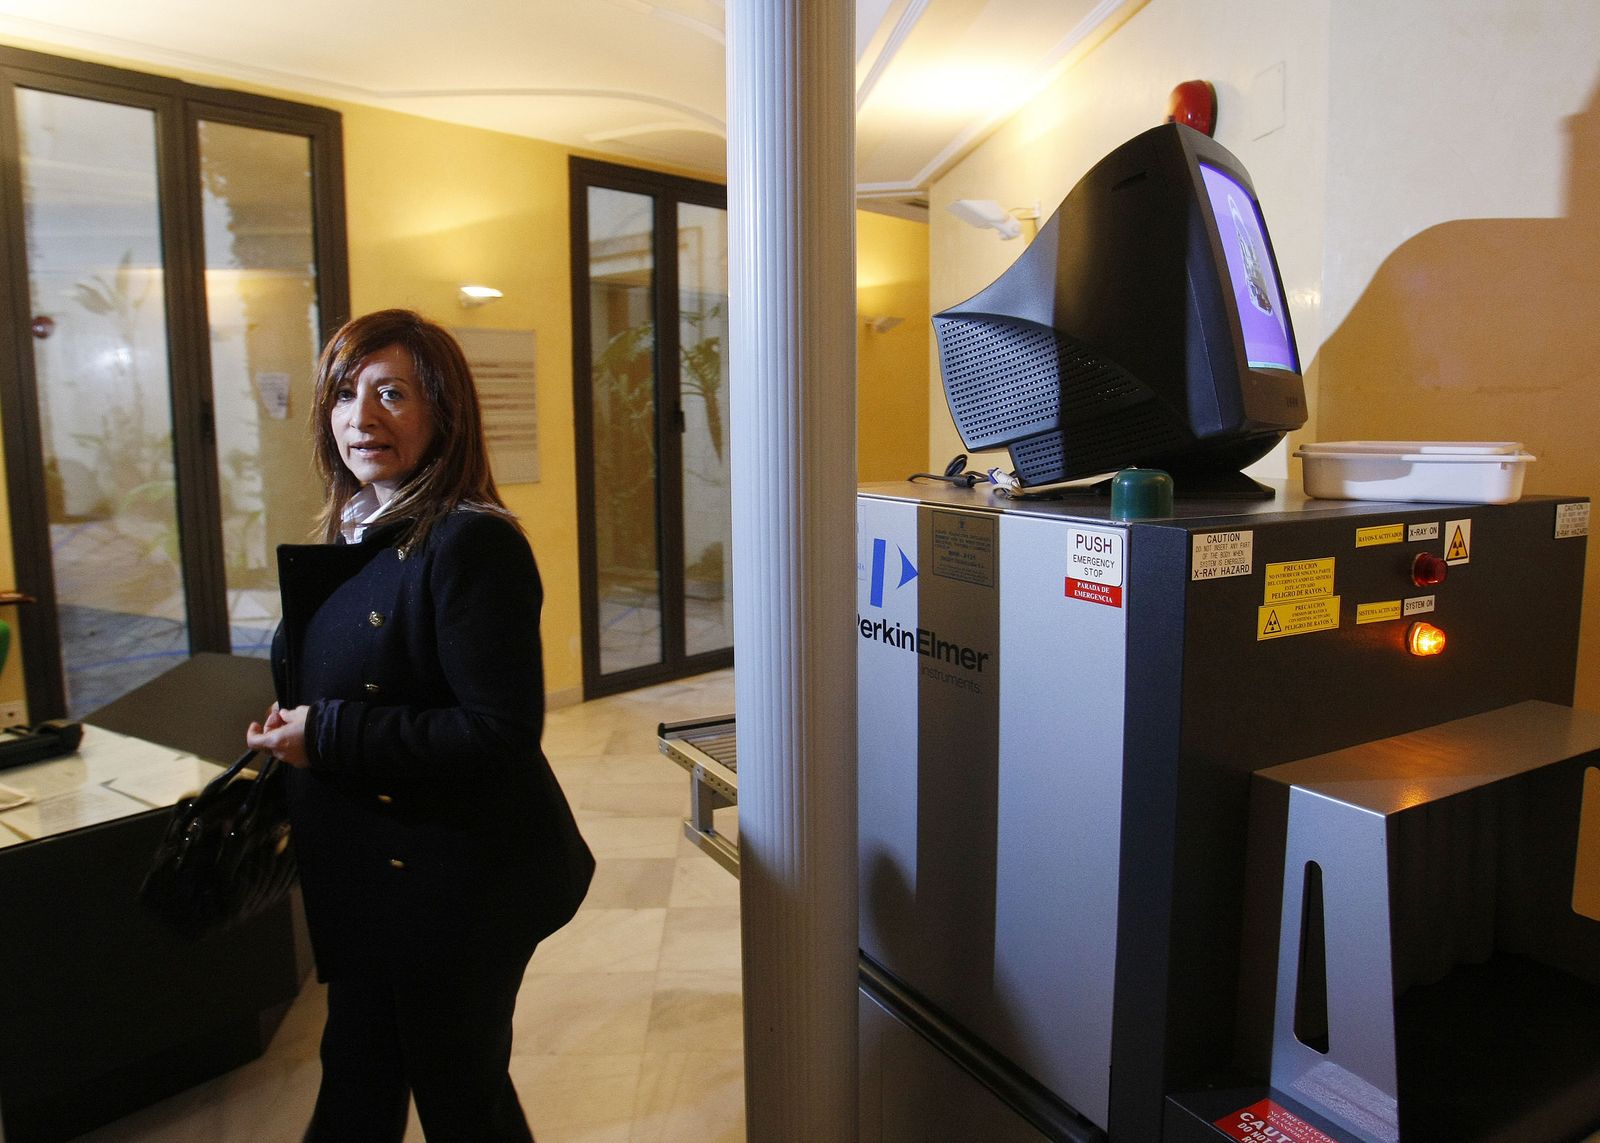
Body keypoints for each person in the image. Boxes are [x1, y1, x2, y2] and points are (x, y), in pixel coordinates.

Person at [246, 308, 593, 1142]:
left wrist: (325, 733)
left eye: (392, 393)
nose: (361, 418)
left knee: (457, 1087)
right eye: (344, 394)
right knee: (362, 1069)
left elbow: (496, 730)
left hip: (459, 881)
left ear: (444, 411)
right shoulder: (360, 525)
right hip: (376, 870)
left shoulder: (470, 543)